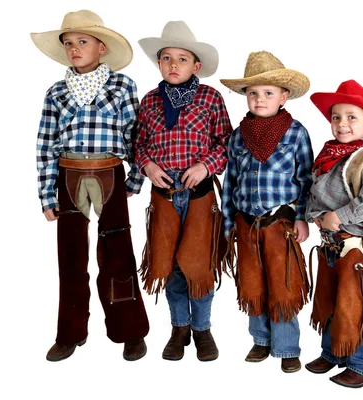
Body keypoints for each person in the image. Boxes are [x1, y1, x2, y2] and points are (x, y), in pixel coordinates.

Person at [31, 10, 149, 362]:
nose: (74, 48)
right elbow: (45, 143)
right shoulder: (56, 92)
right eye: (68, 43)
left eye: (82, 41)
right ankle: (70, 332)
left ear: (101, 47)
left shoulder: (122, 86)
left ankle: (129, 330)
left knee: (117, 253)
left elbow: (136, 135)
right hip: (68, 174)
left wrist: (136, 177)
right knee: (70, 257)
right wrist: (45, 192)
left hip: (110, 173)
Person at [134, 21, 232, 362]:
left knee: (199, 263)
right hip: (163, 193)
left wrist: (205, 165)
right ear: (159, 64)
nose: (174, 65)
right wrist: (149, 166)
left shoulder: (210, 99)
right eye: (167, 58)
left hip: (200, 193)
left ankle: (202, 327)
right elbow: (139, 144)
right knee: (170, 263)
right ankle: (179, 327)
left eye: (182, 59)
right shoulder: (148, 102)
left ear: (196, 66)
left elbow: (225, 143)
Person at [220, 51, 314, 373]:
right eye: (253, 93)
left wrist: (301, 216)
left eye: (268, 93)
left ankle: (287, 346)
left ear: (284, 96)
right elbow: (231, 178)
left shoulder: (296, 132)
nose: (259, 100)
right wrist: (228, 221)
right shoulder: (238, 136)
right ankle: (260, 340)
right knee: (253, 284)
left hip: (279, 222)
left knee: (283, 284)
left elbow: (306, 178)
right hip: (246, 222)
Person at [304, 79, 363, 387]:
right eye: (336, 117)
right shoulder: (329, 155)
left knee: (356, 305)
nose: (342, 123)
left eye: (351, 117)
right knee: (330, 301)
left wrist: (339, 217)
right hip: (330, 244)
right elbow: (314, 193)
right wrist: (315, 217)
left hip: (355, 245)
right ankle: (334, 352)